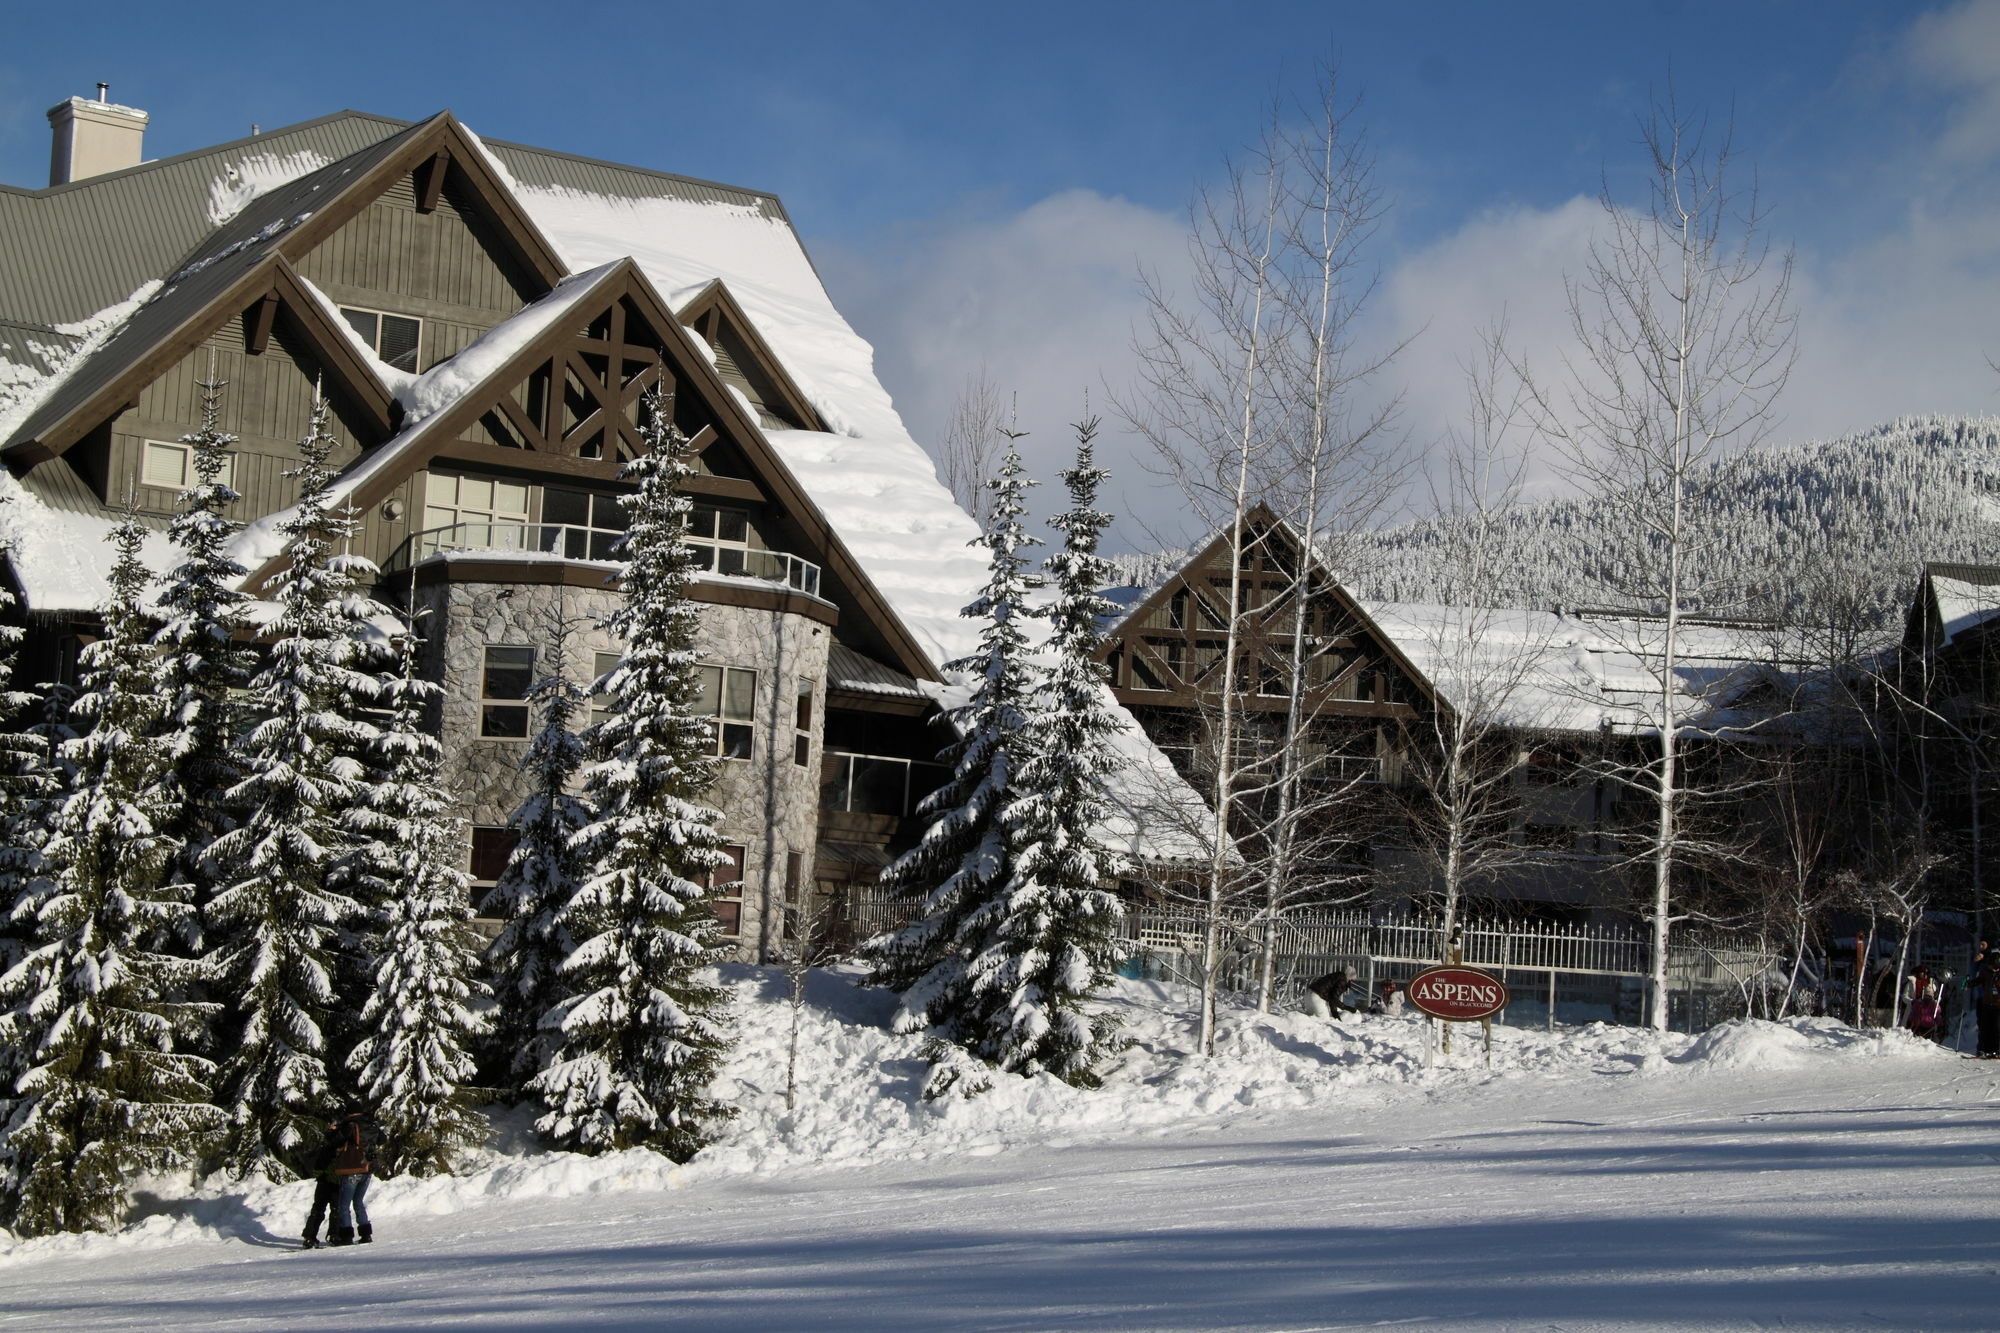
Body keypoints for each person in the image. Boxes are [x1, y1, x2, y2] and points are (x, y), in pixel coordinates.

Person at [328, 1109, 376, 1246]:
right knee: (358, 1202)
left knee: (344, 1205)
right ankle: (366, 1234)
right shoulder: (370, 1124)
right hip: (367, 1168)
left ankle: (346, 1236)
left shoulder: (349, 1125)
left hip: (351, 1168)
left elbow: (335, 1141)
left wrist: (331, 1131)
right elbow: (382, 1139)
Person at [299, 1117, 344, 1250]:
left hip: (325, 1178)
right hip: (333, 1179)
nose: (331, 1127)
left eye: (333, 1125)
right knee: (333, 1208)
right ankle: (333, 1235)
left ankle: (310, 1237)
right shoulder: (340, 1140)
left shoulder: (326, 1140)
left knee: (319, 1209)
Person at [1905, 966, 1945, 1043]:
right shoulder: (1919, 1003)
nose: (1924, 975)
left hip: (1928, 1027)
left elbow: (1937, 1015)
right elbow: (1913, 1013)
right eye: (1922, 973)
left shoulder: (1933, 1004)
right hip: (1920, 1026)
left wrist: (1939, 1024)